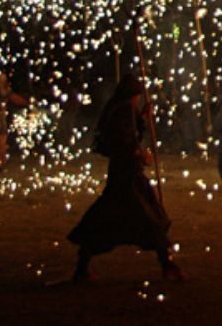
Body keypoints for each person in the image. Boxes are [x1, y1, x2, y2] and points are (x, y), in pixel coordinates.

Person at [68, 74, 183, 282]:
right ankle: (167, 264)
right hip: (127, 177)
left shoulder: (122, 108)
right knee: (148, 218)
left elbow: (130, 132)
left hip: (124, 174)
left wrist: (142, 118)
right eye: (137, 97)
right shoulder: (123, 109)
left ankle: (82, 266)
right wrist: (140, 154)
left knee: (110, 219)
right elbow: (124, 140)